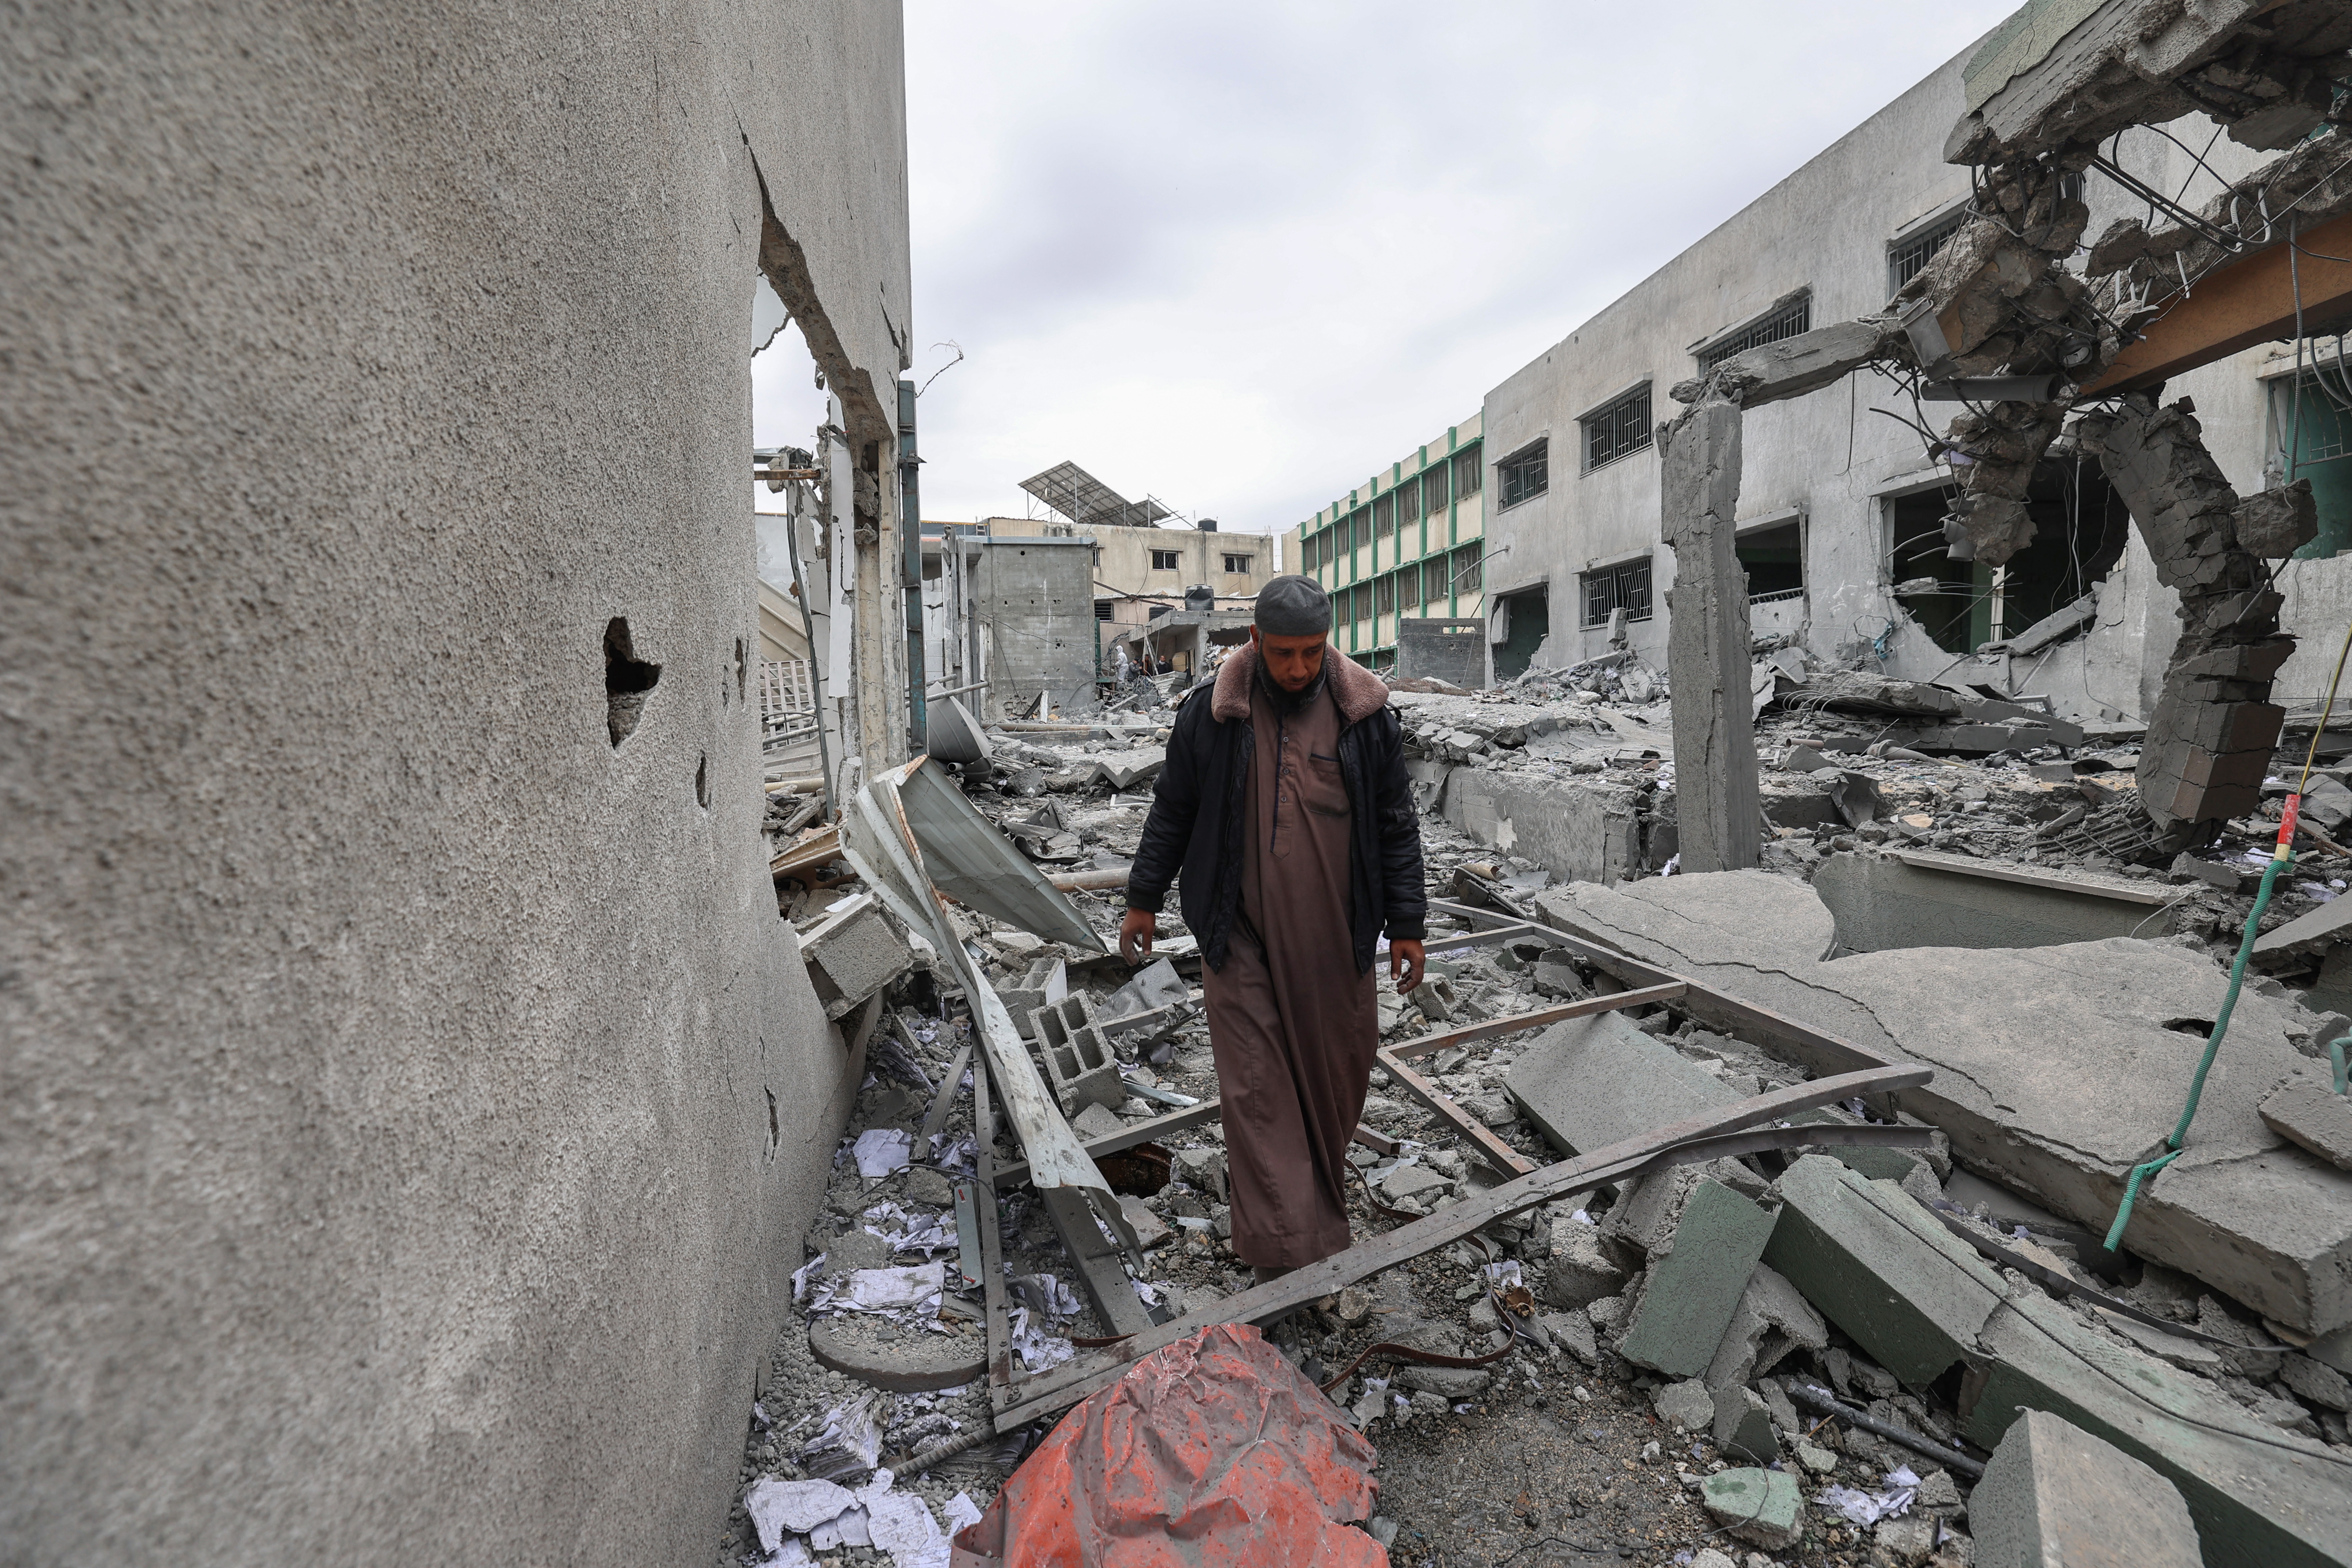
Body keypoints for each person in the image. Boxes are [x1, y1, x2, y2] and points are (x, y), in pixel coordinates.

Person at [1121, 574, 1426, 1280]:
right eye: (1283, 654)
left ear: (1328, 645)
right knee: (1257, 1093)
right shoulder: (1212, 715)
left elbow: (1396, 827)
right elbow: (1173, 810)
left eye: (1310, 654)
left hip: (1336, 945)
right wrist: (1144, 898)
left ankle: (1310, 1219)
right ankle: (1284, 1260)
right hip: (1242, 937)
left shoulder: (1367, 720)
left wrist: (1407, 922)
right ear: (1255, 642)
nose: (1296, 669)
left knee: (1337, 1083)